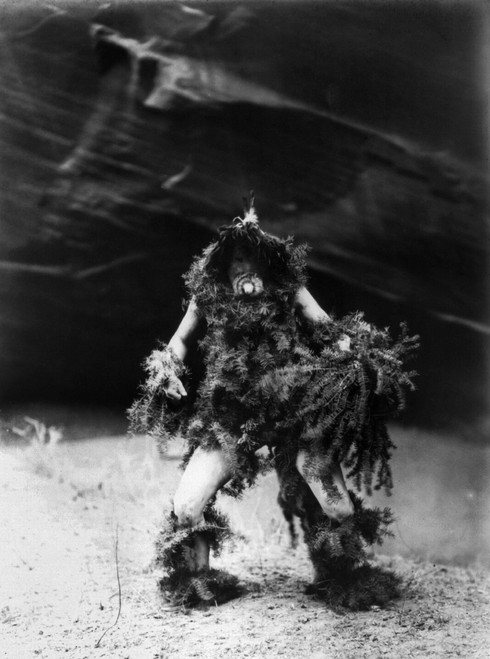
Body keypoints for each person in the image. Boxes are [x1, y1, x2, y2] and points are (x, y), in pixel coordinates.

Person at [129, 194, 418, 609]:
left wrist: (359, 357)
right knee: (187, 506)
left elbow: (325, 327)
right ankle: (198, 583)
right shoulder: (207, 296)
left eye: (253, 258)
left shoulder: (289, 290)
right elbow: (179, 340)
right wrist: (165, 368)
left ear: (267, 263)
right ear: (224, 264)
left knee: (337, 510)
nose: (245, 269)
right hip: (229, 422)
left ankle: (341, 578)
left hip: (294, 416)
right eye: (237, 259)